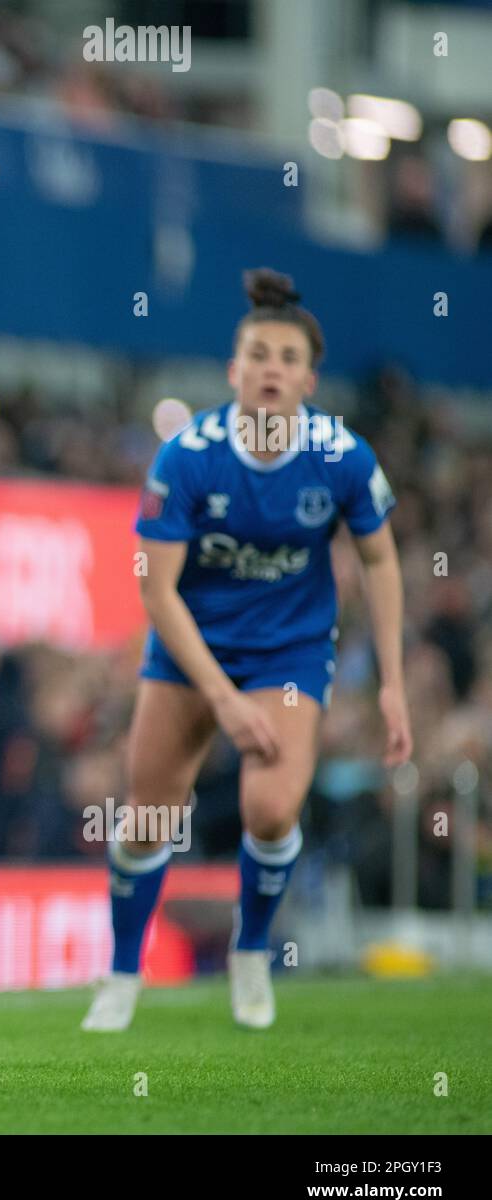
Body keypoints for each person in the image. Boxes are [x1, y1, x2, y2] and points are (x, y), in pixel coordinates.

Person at [81, 268, 411, 1033]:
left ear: (309, 378)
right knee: (146, 821)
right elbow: (157, 593)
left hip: (289, 654)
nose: (272, 369)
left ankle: (252, 949)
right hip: (189, 651)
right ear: (234, 370)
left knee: (270, 809)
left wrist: (392, 682)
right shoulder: (188, 458)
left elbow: (384, 560)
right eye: (258, 354)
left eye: (288, 358)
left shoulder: (343, 457)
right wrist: (222, 699)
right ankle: (123, 971)